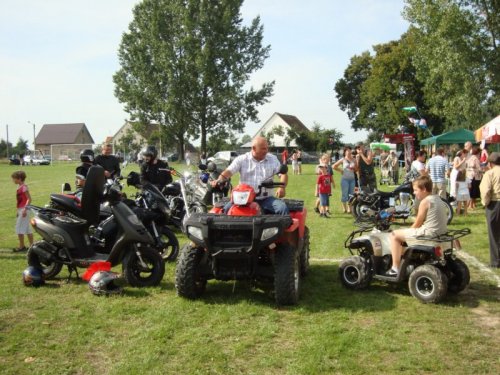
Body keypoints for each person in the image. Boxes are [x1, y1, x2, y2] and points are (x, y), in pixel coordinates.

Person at [386, 175, 448, 276]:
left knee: (394, 235)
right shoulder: (438, 199)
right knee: (403, 232)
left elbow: (417, 223)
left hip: (429, 233)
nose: (414, 193)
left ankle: (395, 268)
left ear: (423, 189)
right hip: (440, 232)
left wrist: (408, 231)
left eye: (415, 190)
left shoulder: (425, 202)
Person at [211, 137, 289, 215]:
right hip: (242, 199)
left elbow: (283, 173)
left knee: (282, 208)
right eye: (263, 149)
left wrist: (282, 188)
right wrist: (219, 180)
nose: (266, 151)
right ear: (254, 148)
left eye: (267, 148)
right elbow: (229, 171)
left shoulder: (273, 159)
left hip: (266, 198)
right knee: (225, 211)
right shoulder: (242, 159)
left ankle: (281, 227)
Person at [479, 152, 500, 268]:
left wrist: (485, 203)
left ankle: (495, 261)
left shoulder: (490, 173)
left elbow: (485, 190)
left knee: (494, 233)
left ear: (490, 163)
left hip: (495, 203)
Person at [11, 170, 33, 252]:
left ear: (19, 179)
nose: (13, 180)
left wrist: (24, 209)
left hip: (24, 209)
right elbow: (20, 200)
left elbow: (29, 199)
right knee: (27, 229)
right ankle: (32, 246)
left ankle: (21, 246)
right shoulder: (20, 187)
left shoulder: (24, 187)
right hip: (22, 209)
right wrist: (18, 211)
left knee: (19, 228)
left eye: (14, 179)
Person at [333, 146, 356, 213]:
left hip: (352, 180)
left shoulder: (354, 159)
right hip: (345, 179)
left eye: (350, 150)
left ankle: (350, 208)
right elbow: (334, 166)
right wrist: (340, 170)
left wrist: (354, 168)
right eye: (347, 151)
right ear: (345, 152)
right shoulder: (343, 159)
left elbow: (357, 169)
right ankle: (344, 208)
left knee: (351, 195)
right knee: (344, 194)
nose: (349, 152)